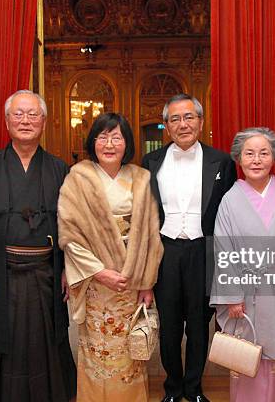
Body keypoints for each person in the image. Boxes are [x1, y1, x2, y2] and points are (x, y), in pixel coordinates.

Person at [0, 90, 76, 401]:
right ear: (7, 120)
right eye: (18, 114)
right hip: (1, 272)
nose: (25, 120)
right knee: (6, 339)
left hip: (47, 273)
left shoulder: (59, 169)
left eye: (32, 114)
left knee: (46, 340)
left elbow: (71, 224)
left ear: (44, 121)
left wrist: (68, 268)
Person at [58, 112, 163, 402]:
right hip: (94, 282)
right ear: (93, 141)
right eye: (102, 136)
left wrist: (146, 282)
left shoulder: (141, 178)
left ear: (127, 143)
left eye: (116, 137)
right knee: (96, 349)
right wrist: (98, 271)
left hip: (130, 279)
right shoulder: (78, 177)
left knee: (130, 351)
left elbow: (150, 234)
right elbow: (70, 233)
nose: (109, 143)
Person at [142, 94, 237, 402]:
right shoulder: (151, 162)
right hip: (165, 252)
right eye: (175, 119)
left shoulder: (221, 161)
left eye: (188, 117)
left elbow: (230, 210)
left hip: (203, 252)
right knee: (168, 327)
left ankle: (194, 389)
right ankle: (173, 387)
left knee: (198, 325)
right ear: (167, 125)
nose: (182, 124)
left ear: (200, 121)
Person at [210, 128, 275, 402]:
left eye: (264, 153)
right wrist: (231, 296)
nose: (256, 160)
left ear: (274, 158)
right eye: (249, 154)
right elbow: (223, 252)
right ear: (239, 159)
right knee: (246, 355)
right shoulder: (229, 201)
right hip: (245, 295)